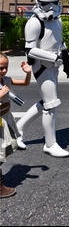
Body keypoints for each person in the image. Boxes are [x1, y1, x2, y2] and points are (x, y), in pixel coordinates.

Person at [16, 0, 69, 158]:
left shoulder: (58, 21)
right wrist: (53, 56)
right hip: (42, 66)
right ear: (38, 3)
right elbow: (30, 50)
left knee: (45, 102)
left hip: (54, 65)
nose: (50, 8)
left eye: (53, 4)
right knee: (51, 104)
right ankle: (50, 144)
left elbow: (58, 40)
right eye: (45, 4)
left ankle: (18, 129)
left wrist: (65, 58)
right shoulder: (34, 23)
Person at [0, 53, 31, 198]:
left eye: (6, 68)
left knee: (5, 150)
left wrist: (28, 73)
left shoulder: (5, 80)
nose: (4, 71)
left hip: (6, 119)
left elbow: (25, 83)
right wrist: (1, 94)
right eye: (0, 68)